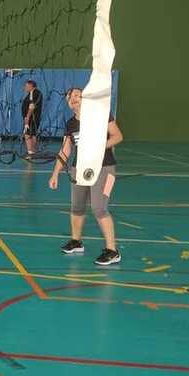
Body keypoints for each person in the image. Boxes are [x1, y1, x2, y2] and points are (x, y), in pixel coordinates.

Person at [48, 87, 124, 266]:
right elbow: (66, 149)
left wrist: (99, 147)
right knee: (77, 207)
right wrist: (55, 173)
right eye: (70, 97)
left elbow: (118, 136)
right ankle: (76, 242)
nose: (73, 98)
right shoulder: (71, 124)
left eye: (77, 95)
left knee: (99, 208)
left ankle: (113, 251)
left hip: (105, 168)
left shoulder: (101, 115)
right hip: (80, 169)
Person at [22, 79, 43, 158]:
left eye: (27, 86)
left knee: (28, 134)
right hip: (32, 118)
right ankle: (33, 151)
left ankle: (30, 152)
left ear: (31, 86)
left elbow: (31, 106)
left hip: (32, 118)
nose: (25, 87)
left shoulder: (35, 93)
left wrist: (27, 118)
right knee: (32, 133)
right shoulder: (33, 93)